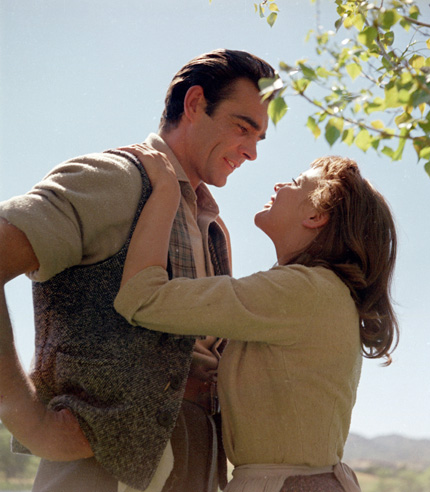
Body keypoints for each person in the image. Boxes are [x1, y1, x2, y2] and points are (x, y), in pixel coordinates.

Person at [0, 49, 276, 492]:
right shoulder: (117, 178)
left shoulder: (213, 227)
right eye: (243, 128)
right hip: (100, 467)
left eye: (260, 138)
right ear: (193, 104)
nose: (251, 152)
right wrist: (26, 417)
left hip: (196, 457)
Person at [112, 147, 400, 492]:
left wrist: (165, 192)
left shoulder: (300, 290)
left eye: (296, 183)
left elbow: (142, 299)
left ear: (316, 215)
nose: (280, 185)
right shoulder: (324, 293)